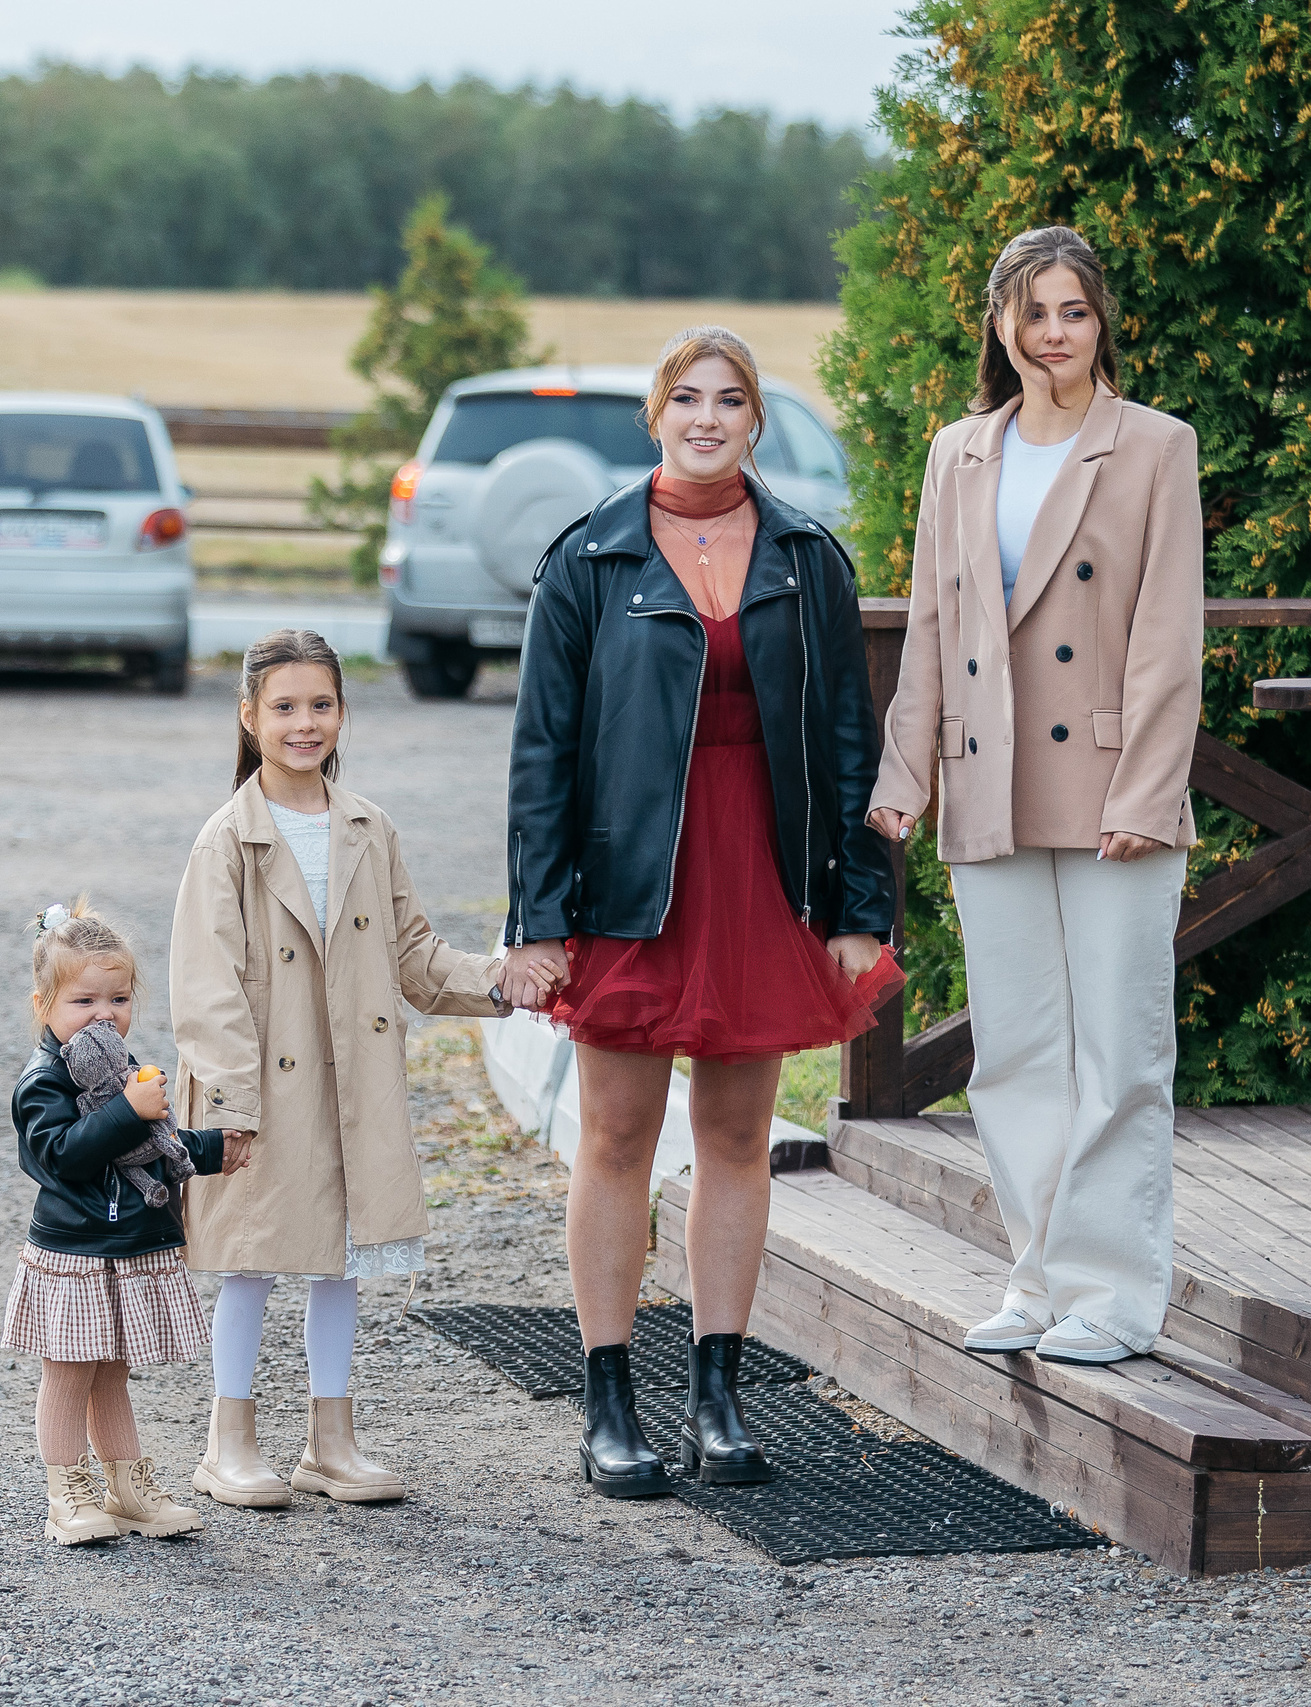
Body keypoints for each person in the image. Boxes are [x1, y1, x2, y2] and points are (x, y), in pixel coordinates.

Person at [502, 326, 901, 1496]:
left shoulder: (805, 558)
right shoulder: (588, 558)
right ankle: (608, 1399)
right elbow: (542, 753)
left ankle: (716, 1396)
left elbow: (846, 743)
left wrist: (855, 905)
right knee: (616, 1139)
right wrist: (537, 918)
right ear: (656, 415)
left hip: (762, 881)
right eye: (687, 397)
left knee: (737, 1140)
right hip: (632, 887)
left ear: (757, 422)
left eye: (731, 400)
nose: (708, 417)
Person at [868, 225, 1204, 1367]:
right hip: (987, 784)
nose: (1053, 335)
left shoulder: (1155, 446)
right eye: (1032, 315)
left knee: (1118, 1053)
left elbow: (1169, 634)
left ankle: (1112, 1299)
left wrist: (1147, 792)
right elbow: (928, 626)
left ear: (1099, 321)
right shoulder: (957, 451)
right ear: (999, 327)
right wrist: (902, 775)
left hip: (1113, 789)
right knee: (1013, 1052)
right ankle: (1037, 1279)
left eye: (1073, 313)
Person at [171, 627, 514, 1507]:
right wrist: (231, 1105)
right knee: (250, 1257)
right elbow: (206, 987)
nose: (304, 722)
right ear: (249, 716)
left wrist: (502, 981)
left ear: (343, 712)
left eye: (320, 704)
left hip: (349, 1081)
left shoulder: (368, 826)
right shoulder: (226, 840)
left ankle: (332, 1438)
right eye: (284, 706)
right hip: (260, 1091)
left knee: (340, 1261)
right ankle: (228, 1438)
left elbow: (414, 955)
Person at [3, 899, 219, 1545]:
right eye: (83, 1001)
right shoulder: (44, 1080)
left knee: (113, 1370)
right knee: (69, 1371)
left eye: (118, 998)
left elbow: (158, 1145)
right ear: (43, 1004)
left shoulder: (121, 1069)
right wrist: (127, 1109)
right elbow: (61, 1156)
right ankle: (66, 1491)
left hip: (127, 1244)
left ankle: (128, 1487)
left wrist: (214, 1148)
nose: (105, 1013)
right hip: (76, 1250)